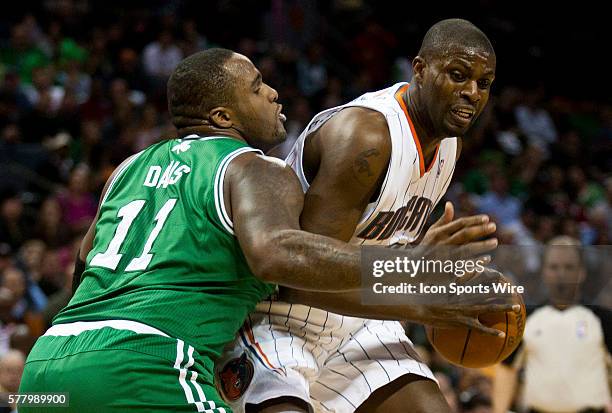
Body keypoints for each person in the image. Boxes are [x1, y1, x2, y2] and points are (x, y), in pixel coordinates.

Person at [17, 49, 513, 413]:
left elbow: (85, 267)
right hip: (147, 363)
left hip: (46, 369)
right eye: (256, 86)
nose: (273, 91)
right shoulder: (252, 167)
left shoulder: (125, 171)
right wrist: (408, 273)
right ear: (221, 116)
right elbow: (279, 256)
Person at [219, 18, 501, 413]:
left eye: (483, 83)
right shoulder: (367, 136)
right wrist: (415, 299)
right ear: (419, 70)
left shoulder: (448, 144)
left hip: (356, 320)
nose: (471, 93)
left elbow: (379, 247)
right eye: (457, 75)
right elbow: (297, 280)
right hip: (277, 317)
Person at [492, 236, 612, 413]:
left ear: (581, 272)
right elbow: (507, 371)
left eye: (569, 267)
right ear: (544, 272)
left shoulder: (603, 319)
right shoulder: (525, 319)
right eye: (554, 267)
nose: (561, 274)